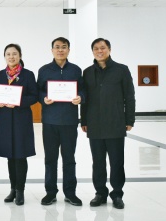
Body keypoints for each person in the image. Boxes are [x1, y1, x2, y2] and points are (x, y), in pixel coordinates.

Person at [81, 38, 135, 210]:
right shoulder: (87, 72)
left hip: (115, 122)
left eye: (103, 48)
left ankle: (117, 194)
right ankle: (100, 193)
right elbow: (85, 99)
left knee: (116, 162)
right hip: (94, 123)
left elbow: (129, 96)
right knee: (98, 162)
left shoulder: (121, 70)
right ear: (92, 52)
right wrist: (84, 120)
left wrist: (129, 120)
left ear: (109, 49)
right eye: (96, 48)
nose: (100, 51)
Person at [37, 37, 85, 206]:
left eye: (63, 47)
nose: (60, 50)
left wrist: (81, 97)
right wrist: (44, 98)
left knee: (69, 159)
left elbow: (83, 90)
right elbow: (38, 91)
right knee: (50, 159)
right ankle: (50, 193)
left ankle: (70, 193)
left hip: (69, 121)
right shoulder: (44, 70)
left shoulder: (76, 70)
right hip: (50, 121)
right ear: (52, 50)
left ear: (68, 50)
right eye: (57, 47)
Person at [0, 44, 38, 206]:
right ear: (4, 56)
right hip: (5, 119)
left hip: (21, 119)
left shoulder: (28, 74)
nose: (11, 57)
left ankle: (20, 190)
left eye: (14, 54)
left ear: (20, 56)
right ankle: (12, 188)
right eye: (8, 54)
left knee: (20, 155)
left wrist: (18, 102)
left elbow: (34, 96)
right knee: (10, 156)